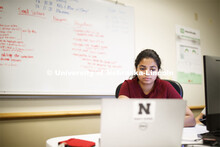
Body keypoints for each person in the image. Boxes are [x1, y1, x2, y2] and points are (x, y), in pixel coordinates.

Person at [118, 49, 196, 127]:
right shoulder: (127, 85)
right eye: (142, 68)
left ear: (158, 70)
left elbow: (191, 119)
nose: (147, 73)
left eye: (152, 69)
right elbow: (121, 114)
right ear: (136, 69)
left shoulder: (166, 86)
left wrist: (159, 123)